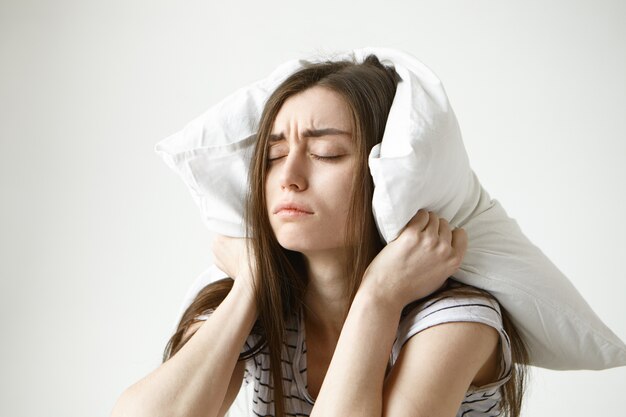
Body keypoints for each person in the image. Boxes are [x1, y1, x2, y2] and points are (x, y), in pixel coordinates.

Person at [111, 55, 528, 417]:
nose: (288, 178)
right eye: (274, 156)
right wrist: (253, 282)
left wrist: (378, 297)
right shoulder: (258, 308)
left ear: (386, 177)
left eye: (325, 154)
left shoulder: (455, 321)